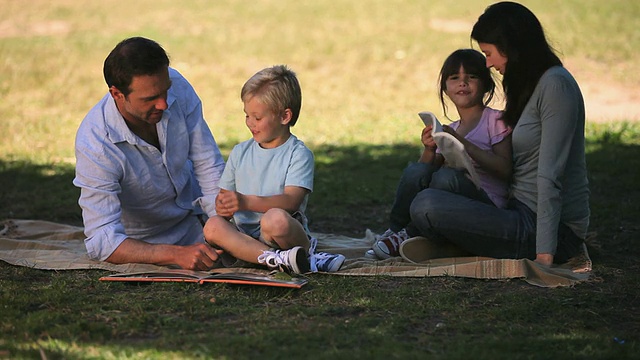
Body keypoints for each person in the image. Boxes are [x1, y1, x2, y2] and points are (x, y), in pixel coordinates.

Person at [407, 1, 589, 266]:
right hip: (514, 210)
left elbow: (551, 175)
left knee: (427, 205)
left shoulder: (556, 86)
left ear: (511, 47)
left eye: (489, 53)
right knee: (442, 184)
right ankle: (455, 242)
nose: (489, 64)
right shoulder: (530, 85)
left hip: (548, 229)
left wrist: (544, 255)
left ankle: (455, 244)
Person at [73, 37, 226, 270]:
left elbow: (207, 163)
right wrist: (175, 254)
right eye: (150, 99)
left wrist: (224, 227)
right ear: (117, 94)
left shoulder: (177, 85)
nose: (164, 104)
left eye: (165, 91)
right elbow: (102, 240)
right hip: (146, 243)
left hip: (202, 220)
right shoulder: (95, 143)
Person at [371, 49, 512, 259]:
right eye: (455, 78)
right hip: (448, 201)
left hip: (487, 205)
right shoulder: (452, 127)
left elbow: (506, 169)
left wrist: (465, 144)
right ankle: (396, 230)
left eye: (471, 77)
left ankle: (411, 232)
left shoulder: (496, 120)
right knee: (416, 170)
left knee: (447, 177)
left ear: (486, 84)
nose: (462, 83)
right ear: (445, 88)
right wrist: (429, 149)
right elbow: (426, 173)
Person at [203, 65, 345, 274]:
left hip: (278, 234)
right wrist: (224, 206)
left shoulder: (298, 154)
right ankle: (276, 259)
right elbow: (226, 196)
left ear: (285, 116)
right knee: (212, 225)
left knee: (275, 219)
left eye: (257, 117)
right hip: (244, 235)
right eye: (246, 116)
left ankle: (305, 255)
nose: (250, 123)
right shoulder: (240, 152)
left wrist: (244, 202)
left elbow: (290, 201)